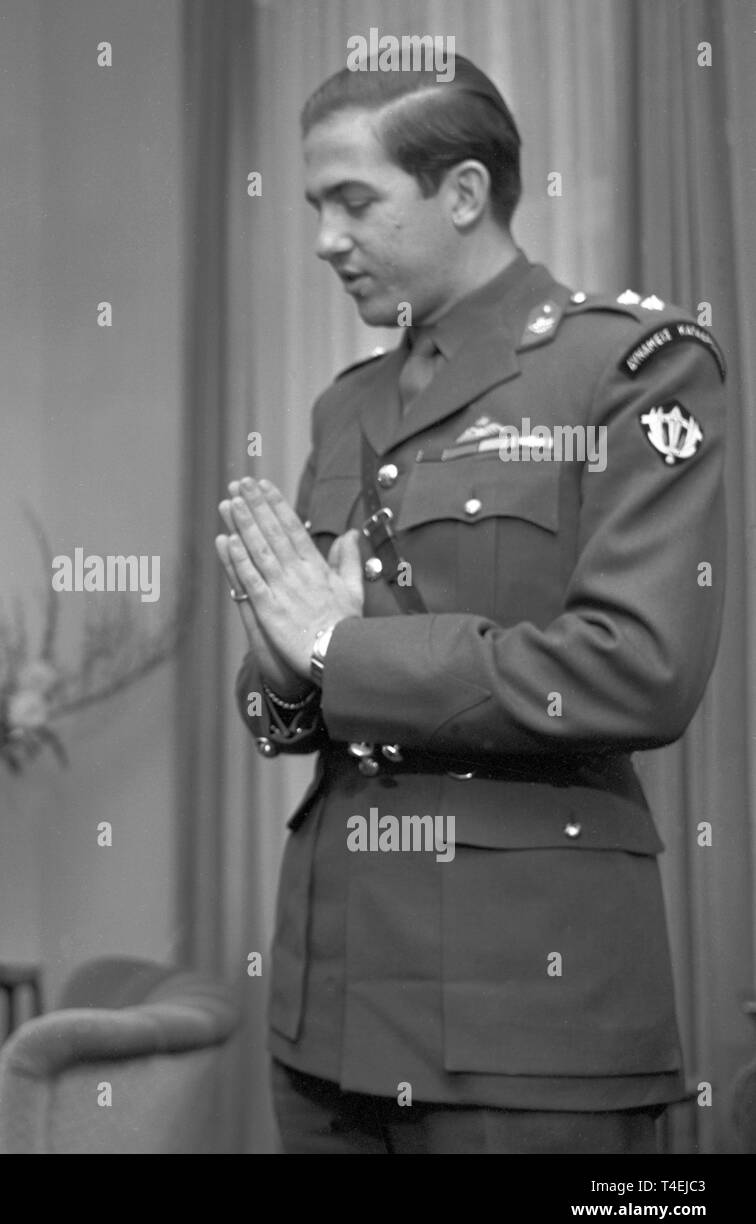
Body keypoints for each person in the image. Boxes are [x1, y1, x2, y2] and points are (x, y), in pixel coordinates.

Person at [216, 57, 726, 1154]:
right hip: (331, 1002)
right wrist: (279, 657)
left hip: (525, 1016)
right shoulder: (345, 402)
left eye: (353, 201)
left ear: (460, 192)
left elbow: (639, 663)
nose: (323, 239)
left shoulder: (630, 366)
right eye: (314, 206)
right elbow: (294, 692)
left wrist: (335, 646)